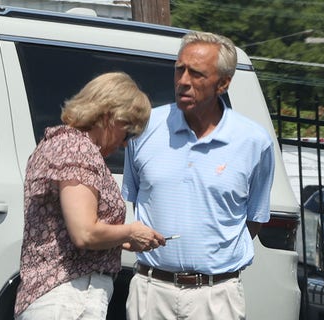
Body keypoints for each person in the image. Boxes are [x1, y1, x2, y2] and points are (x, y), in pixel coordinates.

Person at [122, 31, 275, 319]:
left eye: (197, 74)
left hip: (216, 295)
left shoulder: (253, 141)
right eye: (179, 69)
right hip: (151, 290)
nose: (183, 81)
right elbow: (136, 202)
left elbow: (253, 219)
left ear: (223, 83)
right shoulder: (144, 128)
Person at [14, 72, 166, 319]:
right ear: (108, 115)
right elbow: (84, 233)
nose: (126, 144)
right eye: (127, 132)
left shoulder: (62, 143)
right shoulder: (78, 149)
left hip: (65, 294)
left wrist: (120, 241)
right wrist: (130, 231)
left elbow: (69, 231)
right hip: (69, 295)